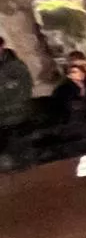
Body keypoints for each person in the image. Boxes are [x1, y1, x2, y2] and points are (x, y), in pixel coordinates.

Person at [0, 36, 34, 170]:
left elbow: (24, 89)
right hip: (3, 119)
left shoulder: (15, 66)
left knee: (19, 151)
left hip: (16, 117)